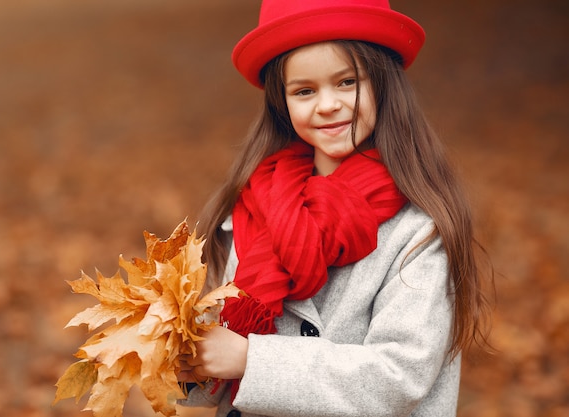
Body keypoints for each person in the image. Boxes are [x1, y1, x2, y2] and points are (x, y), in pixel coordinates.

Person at [178, 1, 492, 416]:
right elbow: (216, 373)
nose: (326, 104)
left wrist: (254, 359)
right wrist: (184, 356)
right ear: (282, 102)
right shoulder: (251, 211)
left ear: (383, 84)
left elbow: (399, 378)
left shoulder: (418, 231)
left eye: (346, 82)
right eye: (304, 90)